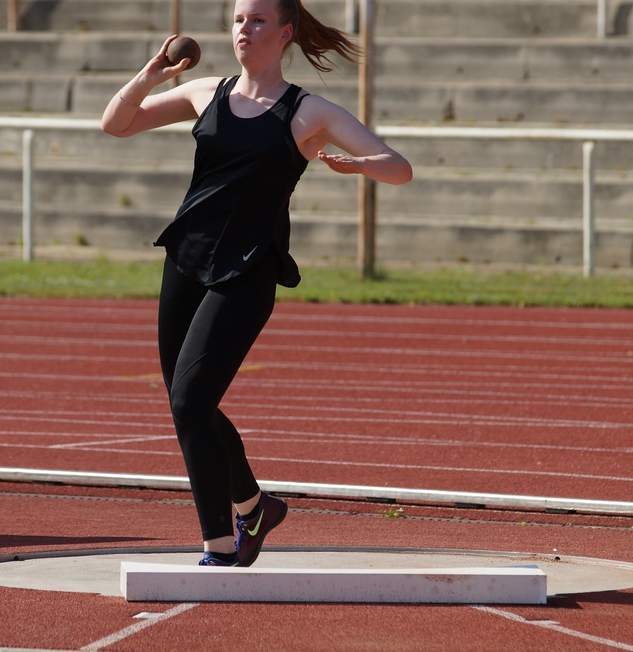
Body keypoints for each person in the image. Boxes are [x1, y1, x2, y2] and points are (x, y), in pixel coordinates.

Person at [101, 0, 412, 567]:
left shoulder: (307, 112)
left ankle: (219, 545)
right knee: (187, 403)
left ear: (285, 33)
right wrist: (149, 76)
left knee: (191, 400)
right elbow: (115, 124)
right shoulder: (206, 92)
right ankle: (255, 507)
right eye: (239, 19)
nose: (244, 28)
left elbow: (399, 166)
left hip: (248, 270)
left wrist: (361, 164)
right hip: (186, 258)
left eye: (258, 20)